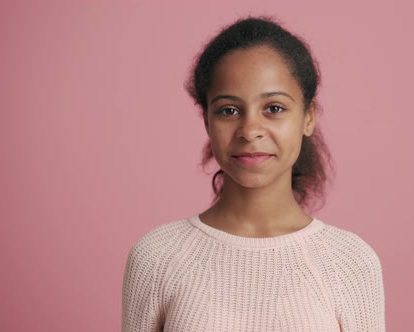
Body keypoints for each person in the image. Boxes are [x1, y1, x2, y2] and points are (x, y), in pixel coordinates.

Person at [122, 16, 386, 332]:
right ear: (207, 120)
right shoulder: (157, 258)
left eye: (274, 108)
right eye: (228, 110)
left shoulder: (350, 263)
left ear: (308, 117)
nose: (249, 131)